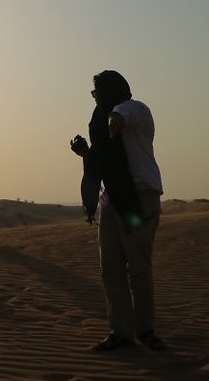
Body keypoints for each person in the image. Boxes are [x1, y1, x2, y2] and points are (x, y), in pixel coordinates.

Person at [70, 70, 166, 352]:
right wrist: (87, 153)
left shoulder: (135, 108)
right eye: (93, 94)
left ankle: (146, 330)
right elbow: (104, 160)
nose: (96, 98)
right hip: (111, 201)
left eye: (98, 92)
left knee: (138, 269)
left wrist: (115, 119)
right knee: (110, 270)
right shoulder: (98, 122)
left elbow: (123, 114)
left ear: (113, 91)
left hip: (139, 198)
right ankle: (121, 332)